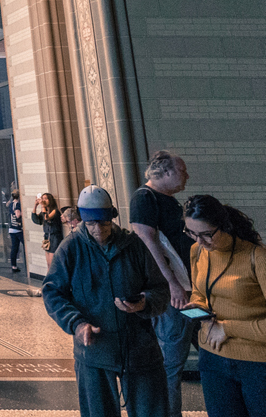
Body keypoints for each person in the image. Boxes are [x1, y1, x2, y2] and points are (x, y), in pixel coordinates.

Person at [42, 185, 168, 417]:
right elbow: (52, 293)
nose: (98, 229)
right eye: (91, 224)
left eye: (103, 223)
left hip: (139, 348)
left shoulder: (134, 246)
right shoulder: (70, 248)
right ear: (82, 221)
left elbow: (160, 289)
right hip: (94, 350)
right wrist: (76, 324)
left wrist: (144, 302)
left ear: (112, 217)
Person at [183, 194, 266, 417]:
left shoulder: (256, 257)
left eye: (206, 234)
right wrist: (199, 310)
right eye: (191, 233)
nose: (199, 241)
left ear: (224, 225)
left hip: (257, 363)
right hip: (212, 357)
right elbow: (199, 291)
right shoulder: (197, 251)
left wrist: (226, 328)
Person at [130, 151, 195, 417]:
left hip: (187, 288)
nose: (187, 176)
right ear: (165, 172)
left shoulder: (166, 199)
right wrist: (172, 285)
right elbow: (150, 243)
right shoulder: (145, 198)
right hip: (174, 292)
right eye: (182, 170)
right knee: (171, 365)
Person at [32, 192, 64, 269]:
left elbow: (47, 218)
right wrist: (35, 206)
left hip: (55, 237)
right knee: (48, 264)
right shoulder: (44, 212)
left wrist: (42, 206)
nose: (44, 200)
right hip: (47, 237)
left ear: (50, 200)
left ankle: (53, 279)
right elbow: (36, 220)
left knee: (52, 263)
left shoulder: (55, 211)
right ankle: (49, 280)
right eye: (42, 199)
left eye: (46, 199)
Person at [8, 189, 24, 273]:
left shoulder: (11, 204)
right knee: (24, 244)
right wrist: (23, 213)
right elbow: (17, 215)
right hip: (17, 228)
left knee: (14, 247)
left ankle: (13, 265)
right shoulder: (17, 204)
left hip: (11, 228)